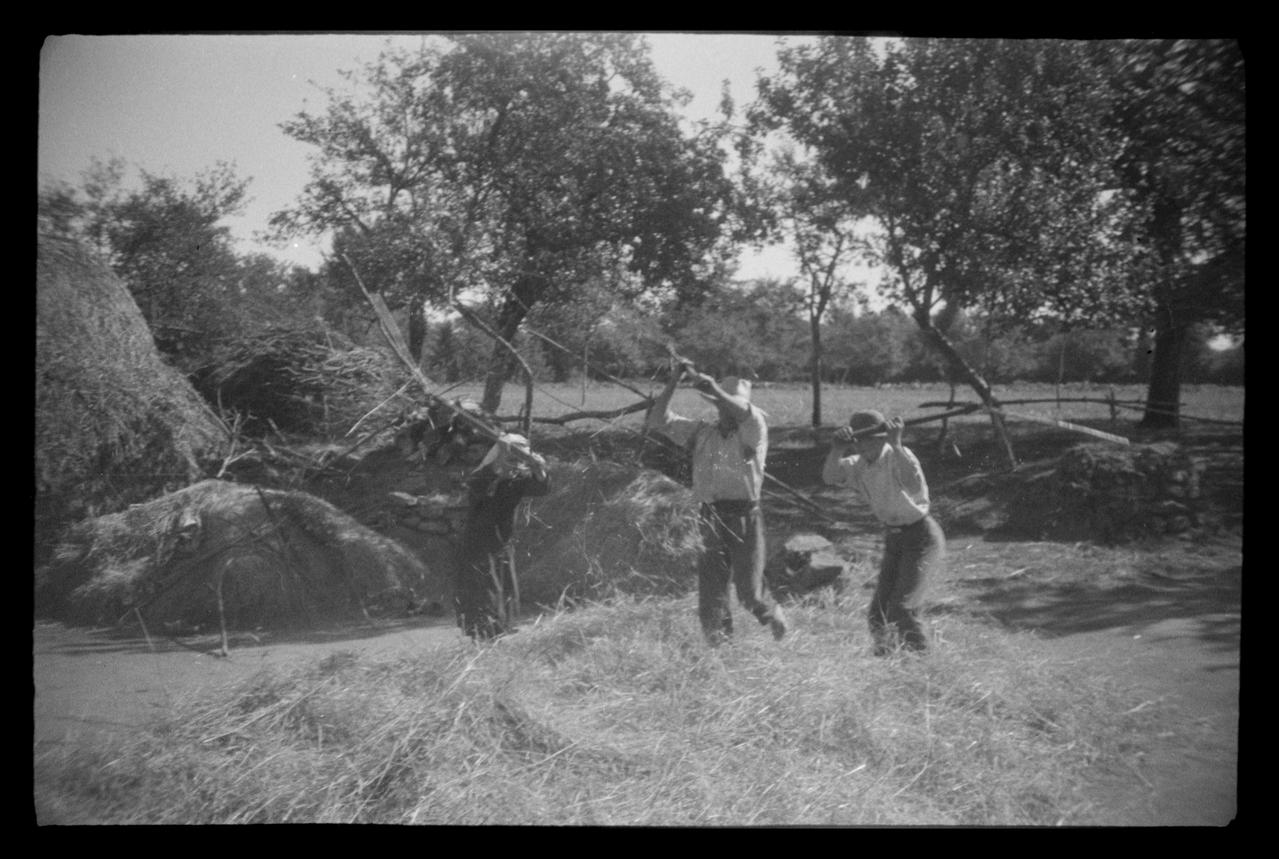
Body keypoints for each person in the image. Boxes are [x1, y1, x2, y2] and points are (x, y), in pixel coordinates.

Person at [646, 364, 789, 645]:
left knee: (749, 592)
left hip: (744, 516)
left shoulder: (754, 427)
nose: (726, 410)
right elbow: (657, 420)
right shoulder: (702, 432)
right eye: (721, 405)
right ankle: (719, 645)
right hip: (710, 515)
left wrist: (715, 389)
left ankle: (772, 613)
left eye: (729, 404)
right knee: (711, 592)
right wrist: (674, 380)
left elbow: (745, 413)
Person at [821, 410, 946, 655]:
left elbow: (913, 485)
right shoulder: (858, 464)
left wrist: (896, 443)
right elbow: (830, 477)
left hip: (921, 537)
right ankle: (887, 658)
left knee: (903, 609)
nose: (862, 445)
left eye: (868, 439)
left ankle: (925, 663)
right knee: (878, 614)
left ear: (881, 439)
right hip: (895, 538)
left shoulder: (898, 455)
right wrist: (837, 449)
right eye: (857, 441)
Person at [454, 432, 550, 640]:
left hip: (501, 538)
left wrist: (538, 469)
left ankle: (502, 626)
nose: (514, 463)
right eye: (510, 457)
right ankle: (481, 630)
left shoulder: (518, 479)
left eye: (518, 458)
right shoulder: (483, 475)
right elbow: (478, 489)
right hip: (477, 539)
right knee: (479, 585)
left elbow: (541, 488)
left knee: (503, 582)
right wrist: (499, 471)